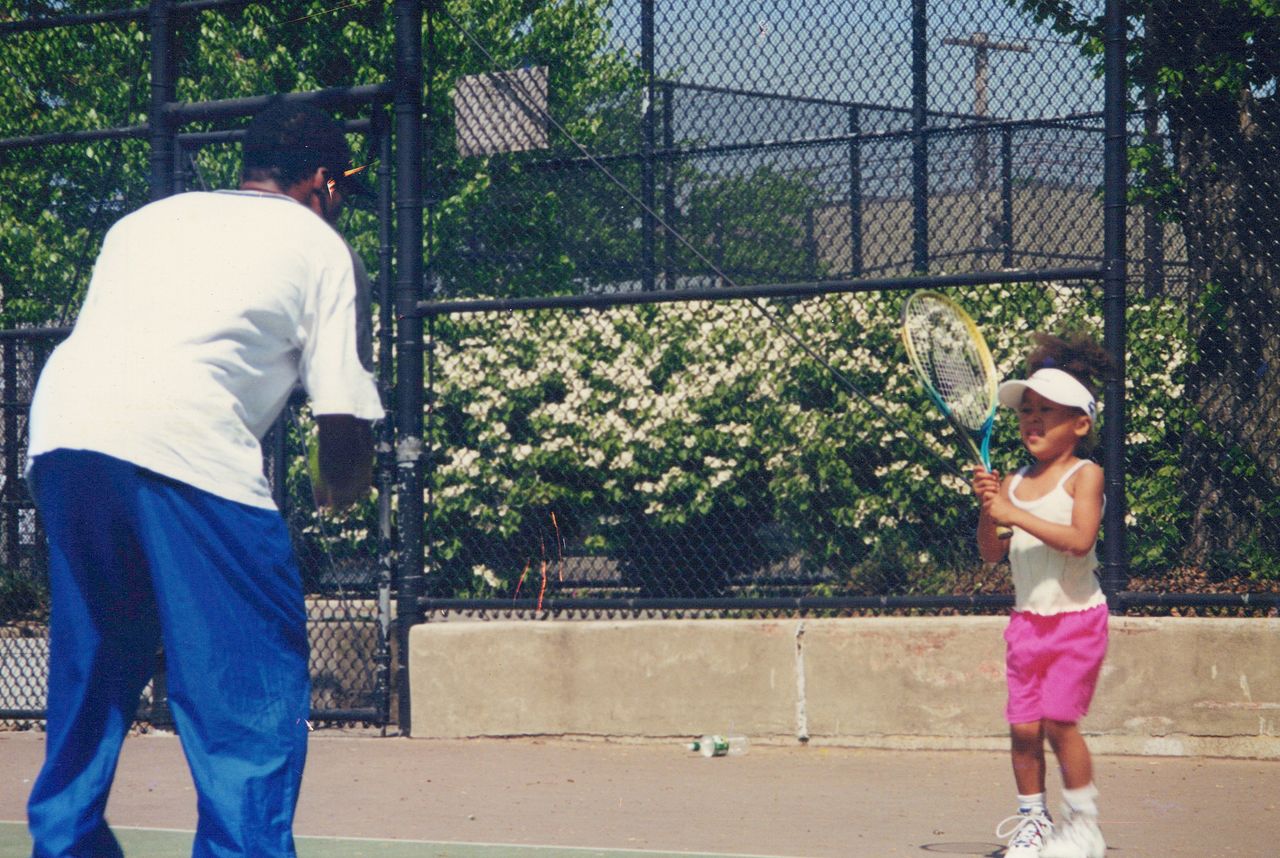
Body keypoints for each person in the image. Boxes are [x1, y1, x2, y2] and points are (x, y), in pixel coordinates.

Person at [24, 101, 384, 857]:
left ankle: (65, 844)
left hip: (64, 434)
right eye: (343, 188)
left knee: (95, 668)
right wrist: (339, 488)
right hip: (187, 444)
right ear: (322, 183)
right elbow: (343, 424)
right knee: (244, 696)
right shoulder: (321, 246)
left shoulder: (146, 222)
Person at [971, 332, 1112, 858]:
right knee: (1024, 727)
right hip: (1027, 623)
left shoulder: (1085, 475)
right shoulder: (1011, 482)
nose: (1032, 419)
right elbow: (990, 552)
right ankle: (1033, 821)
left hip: (1077, 621)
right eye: (1026, 409)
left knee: (1058, 720)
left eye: (1046, 411)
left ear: (1079, 424)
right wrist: (991, 510)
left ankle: (1084, 824)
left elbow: (1079, 542)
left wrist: (1016, 514)